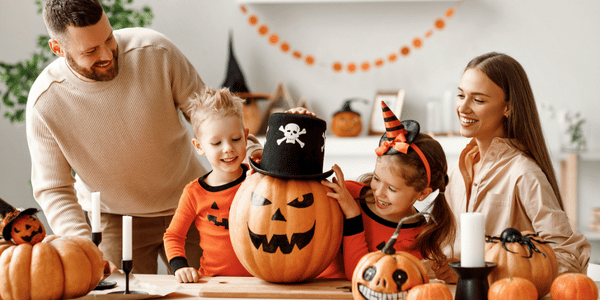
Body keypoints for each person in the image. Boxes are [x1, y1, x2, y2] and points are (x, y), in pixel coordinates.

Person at [26, 0, 262, 274]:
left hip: (192, 204)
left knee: (216, 287)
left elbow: (209, 114)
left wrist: (253, 154)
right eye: (90, 50)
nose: (107, 54)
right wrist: (84, 247)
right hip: (114, 220)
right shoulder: (46, 101)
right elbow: (54, 188)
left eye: (109, 38)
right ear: (58, 48)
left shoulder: (156, 52)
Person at [433, 52, 591, 283]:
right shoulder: (458, 170)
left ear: (508, 107)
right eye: (460, 95)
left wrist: (483, 274)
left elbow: (568, 258)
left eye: (478, 100)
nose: (463, 108)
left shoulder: (524, 173)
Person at [323, 102, 456, 280]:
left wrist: (353, 216)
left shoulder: (417, 240)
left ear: (422, 193)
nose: (378, 192)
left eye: (392, 188)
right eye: (377, 178)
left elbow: (363, 276)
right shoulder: (348, 194)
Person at [164, 87, 254, 283]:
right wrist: (180, 267)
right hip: (215, 283)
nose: (228, 148)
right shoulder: (194, 193)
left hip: (260, 282)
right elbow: (173, 236)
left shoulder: (257, 180)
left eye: (236, 139)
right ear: (199, 146)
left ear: (246, 137)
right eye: (216, 143)